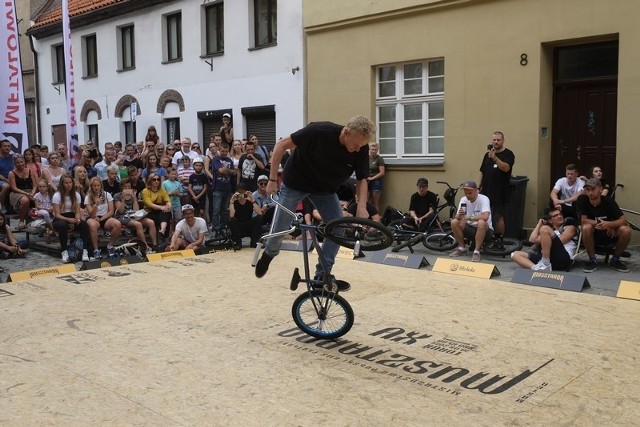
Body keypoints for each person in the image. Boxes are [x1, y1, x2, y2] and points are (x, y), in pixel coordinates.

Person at [254, 116, 375, 286]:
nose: (357, 150)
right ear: (346, 132)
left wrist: (362, 206)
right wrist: (272, 180)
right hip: (296, 182)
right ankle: (269, 254)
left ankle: (323, 274)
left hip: (324, 189)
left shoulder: (360, 147)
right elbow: (281, 145)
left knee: (337, 227)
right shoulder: (318, 131)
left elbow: (362, 179)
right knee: (281, 225)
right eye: (355, 145)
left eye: (361, 146)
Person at [575, 178, 631, 273]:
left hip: (609, 233)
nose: (590, 192)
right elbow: (584, 221)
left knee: (626, 230)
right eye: (588, 190)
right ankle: (592, 260)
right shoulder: (583, 200)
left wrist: (610, 224)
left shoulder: (609, 201)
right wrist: (600, 223)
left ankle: (615, 260)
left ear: (600, 189)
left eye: (593, 189)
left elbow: (624, 220)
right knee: (586, 227)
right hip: (593, 233)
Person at [511, 209, 577, 272]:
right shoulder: (548, 233)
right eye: (555, 215)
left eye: (560, 214)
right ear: (550, 220)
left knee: (544, 229)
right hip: (549, 258)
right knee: (514, 254)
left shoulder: (570, 227)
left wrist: (546, 241)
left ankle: (545, 263)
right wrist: (539, 224)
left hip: (562, 258)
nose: (559, 216)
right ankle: (537, 269)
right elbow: (532, 239)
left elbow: (561, 240)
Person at [479, 131, 515, 236]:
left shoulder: (508, 154)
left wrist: (495, 158)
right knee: (484, 214)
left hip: (500, 190)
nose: (496, 142)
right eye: (494, 140)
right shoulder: (487, 155)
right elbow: (482, 172)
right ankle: (485, 237)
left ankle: (499, 239)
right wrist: (478, 187)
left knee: (498, 216)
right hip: (486, 190)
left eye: (498, 140)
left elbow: (506, 168)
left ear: (503, 141)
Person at [449, 180, 493, 262]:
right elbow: (458, 217)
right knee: (454, 222)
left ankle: (476, 251)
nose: (467, 195)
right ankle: (461, 248)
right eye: (466, 193)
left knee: (481, 222)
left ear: (476, 190)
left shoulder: (483, 199)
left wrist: (469, 218)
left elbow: (485, 216)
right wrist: (459, 215)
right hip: (470, 228)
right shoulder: (464, 199)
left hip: (486, 230)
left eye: (470, 193)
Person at [52, 174, 90, 263]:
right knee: (62, 225)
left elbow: (77, 211)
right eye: (66, 183)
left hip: (72, 216)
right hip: (61, 218)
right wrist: (68, 220)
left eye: (70, 182)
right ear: (62, 184)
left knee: (84, 225)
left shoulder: (76, 195)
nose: (68, 185)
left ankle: (85, 250)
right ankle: (64, 251)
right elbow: (57, 214)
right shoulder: (57, 196)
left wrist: (77, 219)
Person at [114, 179, 157, 251]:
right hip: (122, 216)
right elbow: (120, 211)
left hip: (133, 215)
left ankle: (155, 245)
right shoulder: (117, 196)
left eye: (129, 187)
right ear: (121, 187)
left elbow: (136, 211)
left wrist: (134, 198)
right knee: (138, 224)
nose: (127, 189)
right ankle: (145, 246)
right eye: (125, 187)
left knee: (151, 222)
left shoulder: (133, 195)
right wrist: (123, 199)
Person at [85, 177, 122, 259]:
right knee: (92, 224)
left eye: (98, 185)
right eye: (94, 185)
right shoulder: (88, 197)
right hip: (93, 217)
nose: (96, 187)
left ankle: (110, 246)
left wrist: (101, 219)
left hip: (105, 217)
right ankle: (96, 250)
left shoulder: (107, 194)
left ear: (101, 186)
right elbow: (91, 215)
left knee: (117, 224)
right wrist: (96, 205)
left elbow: (111, 211)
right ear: (91, 186)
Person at [210, 144, 236, 235]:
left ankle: (222, 227)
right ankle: (215, 229)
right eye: (222, 151)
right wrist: (229, 170)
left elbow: (234, 172)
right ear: (219, 150)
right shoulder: (216, 159)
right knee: (216, 210)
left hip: (228, 188)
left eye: (226, 151)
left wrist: (227, 170)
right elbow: (221, 170)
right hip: (217, 188)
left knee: (225, 210)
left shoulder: (229, 160)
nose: (224, 153)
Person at [228, 182, 263, 249]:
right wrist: (231, 202)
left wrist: (252, 200)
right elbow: (232, 215)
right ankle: (238, 243)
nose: (241, 195)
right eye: (239, 192)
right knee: (232, 220)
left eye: (243, 192)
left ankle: (254, 243)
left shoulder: (249, 200)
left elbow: (260, 213)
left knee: (259, 218)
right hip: (238, 225)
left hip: (248, 223)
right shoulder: (234, 201)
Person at [8, 155, 37, 229]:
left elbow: (35, 185)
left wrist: (33, 193)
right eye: (18, 162)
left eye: (21, 162)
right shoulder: (11, 173)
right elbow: (13, 188)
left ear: (24, 162)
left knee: (38, 198)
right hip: (17, 192)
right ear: (14, 163)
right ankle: (21, 221)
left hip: (30, 191)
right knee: (25, 200)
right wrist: (26, 193)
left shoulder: (30, 171)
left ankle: (40, 221)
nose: (20, 164)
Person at [141, 173, 172, 239]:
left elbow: (168, 200)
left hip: (160, 211)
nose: (156, 181)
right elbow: (149, 204)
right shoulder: (145, 191)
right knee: (165, 216)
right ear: (150, 181)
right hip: (149, 211)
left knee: (166, 212)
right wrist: (162, 207)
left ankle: (162, 229)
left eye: (158, 179)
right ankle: (164, 237)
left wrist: (168, 206)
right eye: (154, 180)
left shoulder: (162, 190)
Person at [162, 167, 183, 232]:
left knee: (178, 219)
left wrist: (177, 194)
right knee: (170, 219)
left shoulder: (178, 183)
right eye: (171, 174)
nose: (173, 175)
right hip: (168, 204)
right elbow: (163, 194)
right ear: (168, 174)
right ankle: (170, 232)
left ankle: (177, 231)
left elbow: (181, 194)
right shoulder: (164, 183)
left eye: (174, 174)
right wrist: (171, 193)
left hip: (177, 204)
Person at [367, 142, 385, 212]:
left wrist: (372, 178)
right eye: (372, 149)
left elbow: (382, 172)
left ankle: (376, 220)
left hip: (376, 181)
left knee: (375, 203)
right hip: (367, 180)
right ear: (369, 149)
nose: (373, 151)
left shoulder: (379, 159)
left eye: (375, 150)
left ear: (377, 150)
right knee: (366, 201)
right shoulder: (366, 158)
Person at [0, 139, 15, 211]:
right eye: (5, 146)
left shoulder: (13, 157)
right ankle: (2, 205)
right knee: (6, 186)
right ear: (1, 147)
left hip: (12, 179)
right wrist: (7, 180)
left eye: (9, 146)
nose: (7, 148)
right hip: (2, 179)